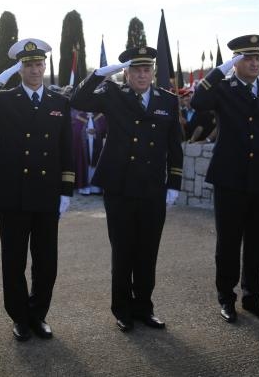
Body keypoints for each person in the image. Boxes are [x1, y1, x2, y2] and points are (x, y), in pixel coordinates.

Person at [0, 38, 74, 341]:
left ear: (45, 66)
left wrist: (66, 190)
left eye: (39, 64)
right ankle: (19, 317)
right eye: (28, 65)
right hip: (13, 192)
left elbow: (66, 148)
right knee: (13, 260)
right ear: (19, 69)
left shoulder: (58, 102)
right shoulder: (5, 99)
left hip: (46, 193)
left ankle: (38, 315)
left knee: (46, 261)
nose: (35, 70)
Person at [70, 46, 183, 332]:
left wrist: (174, 183)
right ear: (127, 73)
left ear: (153, 72)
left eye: (147, 70)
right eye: (136, 70)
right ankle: (122, 309)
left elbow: (174, 145)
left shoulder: (167, 100)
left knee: (148, 250)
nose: (142, 75)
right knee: (123, 250)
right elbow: (78, 99)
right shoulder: (113, 94)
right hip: (119, 185)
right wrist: (99, 74)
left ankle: (144, 307)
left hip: (152, 186)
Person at [191, 35, 259, 323]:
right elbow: (197, 100)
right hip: (230, 178)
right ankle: (226, 297)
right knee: (229, 243)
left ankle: (253, 296)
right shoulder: (223, 89)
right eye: (247, 58)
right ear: (236, 62)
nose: (254, 63)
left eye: (257, 58)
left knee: (257, 241)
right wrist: (219, 70)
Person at [70, 108, 107, 195]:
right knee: (84, 164)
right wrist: (86, 131)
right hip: (83, 146)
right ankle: (84, 188)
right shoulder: (80, 116)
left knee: (96, 164)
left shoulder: (99, 116)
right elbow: (76, 131)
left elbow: (104, 129)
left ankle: (96, 188)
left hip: (97, 145)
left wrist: (96, 131)